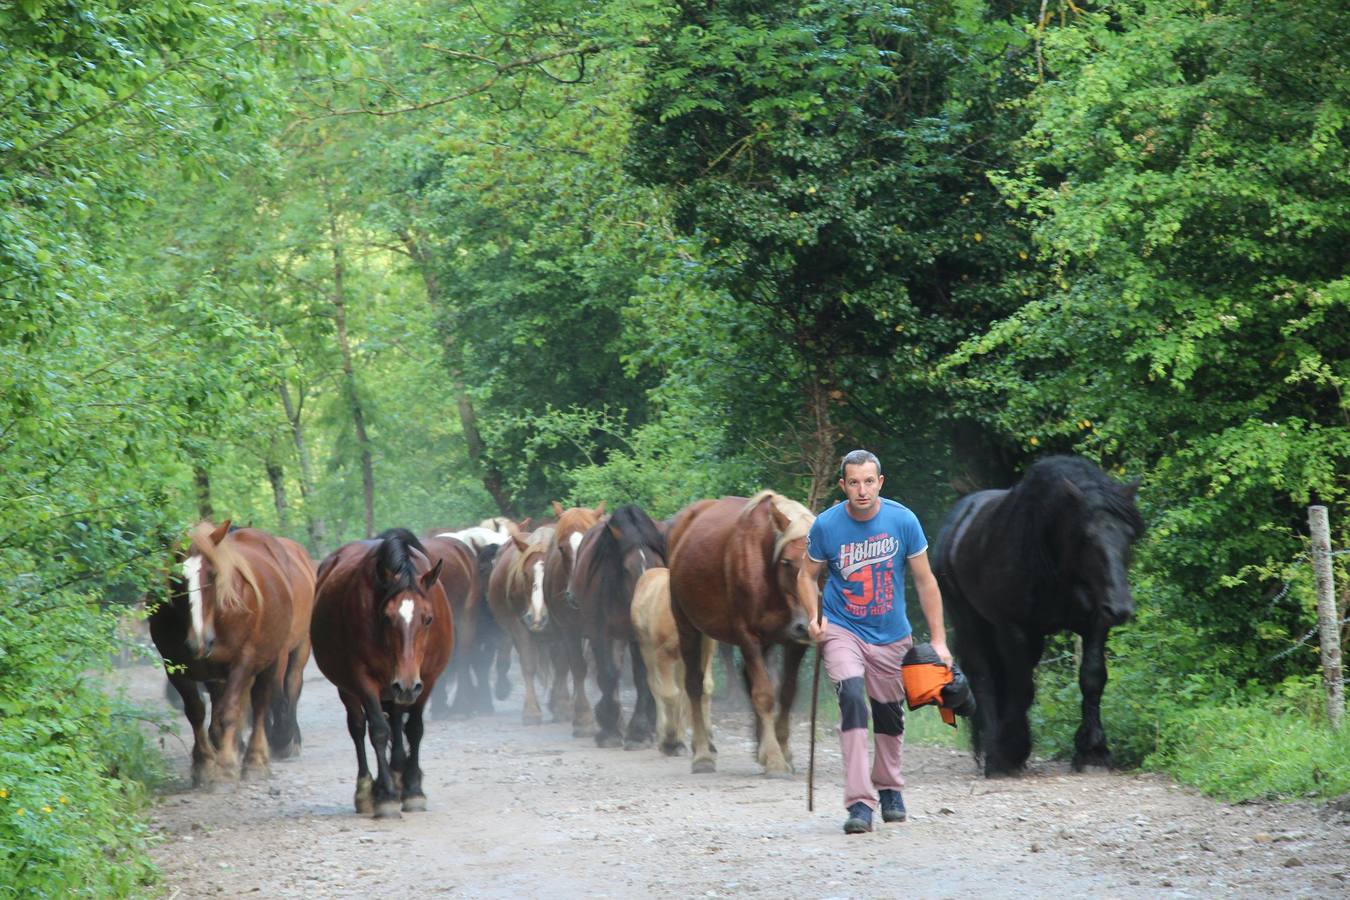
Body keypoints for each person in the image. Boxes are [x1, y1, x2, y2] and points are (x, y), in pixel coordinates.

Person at [798, 449, 952, 834]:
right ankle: (859, 802)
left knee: (888, 714)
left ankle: (889, 788)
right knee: (851, 699)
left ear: (880, 482)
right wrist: (814, 619)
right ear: (843, 485)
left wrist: (938, 639)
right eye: (854, 482)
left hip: (891, 634)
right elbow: (806, 576)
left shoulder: (903, 521)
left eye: (869, 481)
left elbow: (925, 581)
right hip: (843, 629)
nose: (862, 490)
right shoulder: (826, 526)